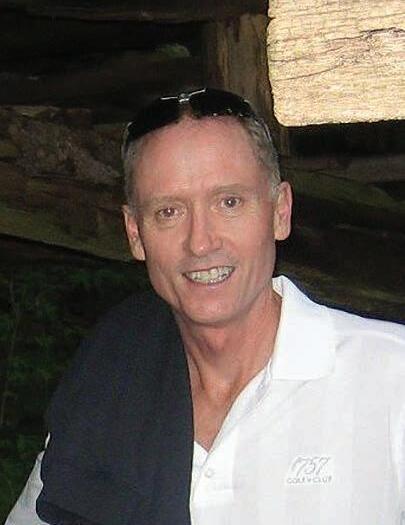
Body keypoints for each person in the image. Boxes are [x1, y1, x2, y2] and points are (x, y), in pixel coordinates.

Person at [6, 88, 405, 525]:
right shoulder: (109, 386)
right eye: (169, 212)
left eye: (229, 202)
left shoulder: (389, 378)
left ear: (280, 211)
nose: (200, 242)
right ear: (135, 234)